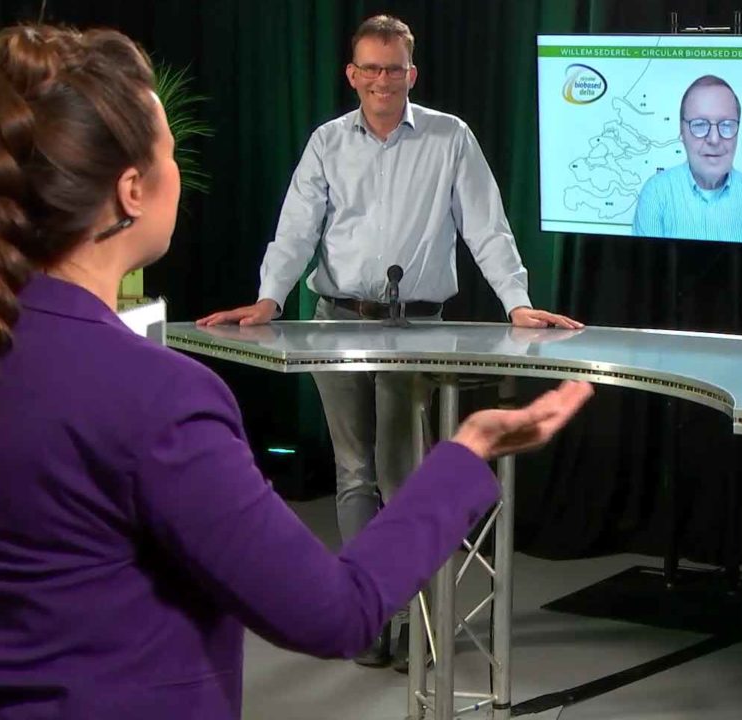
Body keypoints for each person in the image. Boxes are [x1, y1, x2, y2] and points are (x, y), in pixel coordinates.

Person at [0, 24, 594, 718]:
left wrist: (518, 302)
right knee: (358, 470)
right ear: (133, 190)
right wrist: (469, 449)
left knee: (388, 466)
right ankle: (391, 629)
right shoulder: (163, 399)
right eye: (171, 150)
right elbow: (330, 613)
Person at [196, 14, 582, 669]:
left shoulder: (449, 137)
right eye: (370, 69)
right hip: (334, 320)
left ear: (412, 73)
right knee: (354, 472)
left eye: (394, 68)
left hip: (418, 326)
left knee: (404, 472)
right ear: (352, 76)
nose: (382, 80)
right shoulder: (326, 143)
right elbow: (295, 231)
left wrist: (517, 302)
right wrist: (270, 297)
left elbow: (488, 227)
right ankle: (365, 615)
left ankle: (417, 621)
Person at [631, 74, 742, 245]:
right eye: (700, 125)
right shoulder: (656, 195)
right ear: (682, 131)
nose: (714, 139)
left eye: (727, 125)